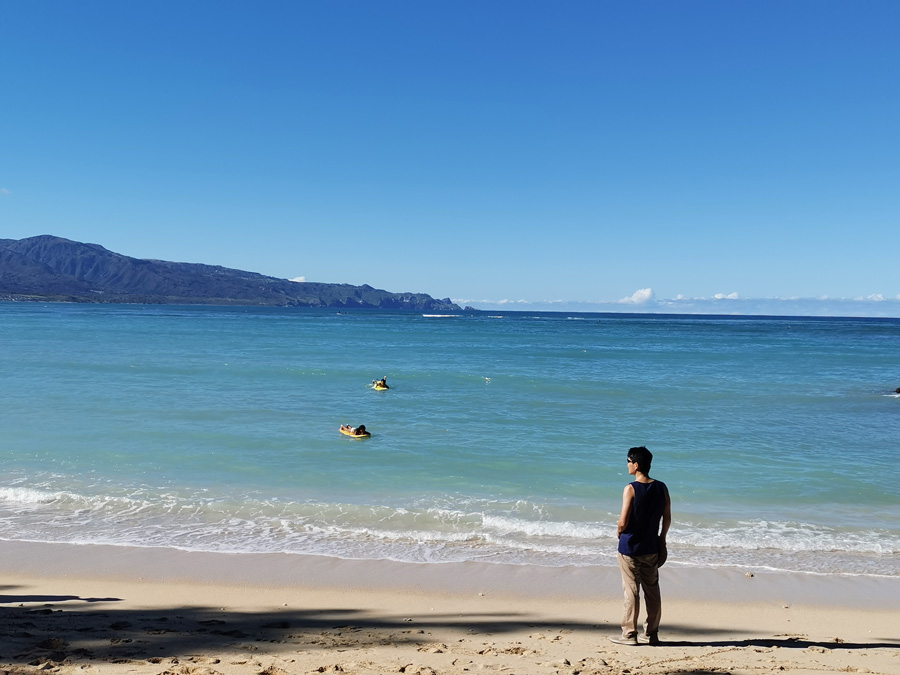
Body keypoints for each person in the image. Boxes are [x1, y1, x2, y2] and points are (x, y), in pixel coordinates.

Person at [609, 446, 671, 646]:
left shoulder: (631, 488)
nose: (627, 464)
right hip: (651, 547)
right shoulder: (662, 487)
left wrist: (619, 532)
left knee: (631, 590)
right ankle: (652, 634)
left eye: (628, 461)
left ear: (636, 465)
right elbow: (667, 518)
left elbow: (623, 521)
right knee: (652, 590)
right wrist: (662, 539)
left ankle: (629, 634)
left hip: (630, 548)